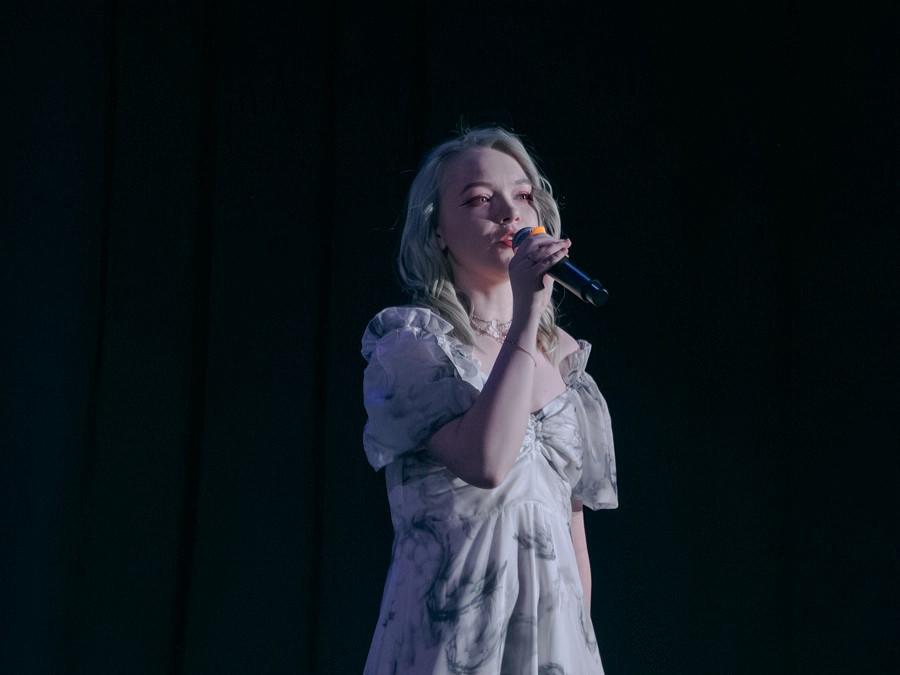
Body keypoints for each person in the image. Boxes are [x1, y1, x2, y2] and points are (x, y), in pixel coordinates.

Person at [360, 127, 618, 674]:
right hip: (451, 638)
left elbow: (573, 533)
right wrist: (526, 314)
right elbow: (487, 462)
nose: (509, 213)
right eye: (480, 199)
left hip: (553, 646)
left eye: (523, 195)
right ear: (436, 231)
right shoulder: (413, 347)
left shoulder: (567, 361)